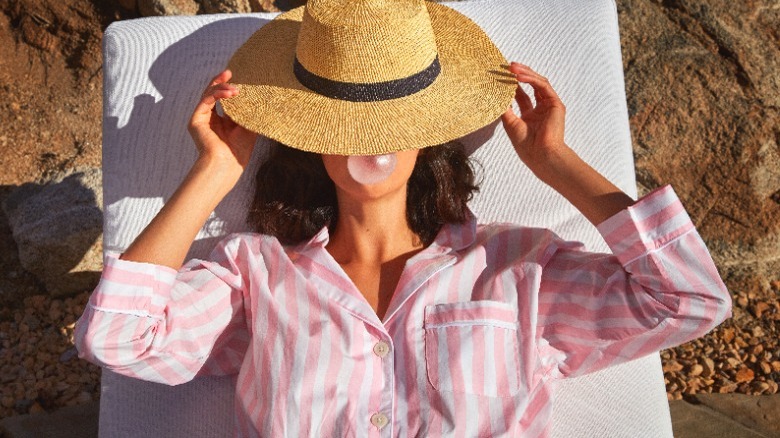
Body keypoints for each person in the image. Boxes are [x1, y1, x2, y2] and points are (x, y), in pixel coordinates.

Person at [75, 0, 732, 436]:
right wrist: (213, 173)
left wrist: (557, 163)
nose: (371, 140)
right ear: (313, 138)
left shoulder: (519, 269)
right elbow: (115, 337)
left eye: (393, 119)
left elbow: (689, 298)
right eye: (345, 121)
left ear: (428, 136)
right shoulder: (254, 276)